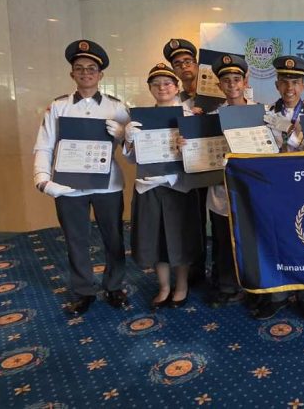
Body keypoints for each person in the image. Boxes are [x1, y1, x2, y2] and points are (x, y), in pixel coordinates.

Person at [33, 39, 129, 315]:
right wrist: (42, 178)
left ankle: (114, 285)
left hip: (107, 184)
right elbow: (44, 145)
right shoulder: (58, 107)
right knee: (75, 238)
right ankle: (84, 289)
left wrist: (124, 136)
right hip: (68, 185)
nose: (86, 72)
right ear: (72, 74)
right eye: (80, 68)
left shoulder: (116, 107)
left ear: (100, 75)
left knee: (114, 237)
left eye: (91, 68)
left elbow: (133, 151)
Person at [124, 64, 201, 309]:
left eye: (167, 83)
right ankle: (164, 286)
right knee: (155, 239)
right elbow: (131, 158)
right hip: (149, 186)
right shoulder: (139, 119)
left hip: (179, 187)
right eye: (156, 84)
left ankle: (181, 286)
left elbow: (200, 157)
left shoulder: (189, 116)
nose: (162, 88)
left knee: (180, 238)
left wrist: (186, 147)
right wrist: (128, 140)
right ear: (150, 89)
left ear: (177, 87)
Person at [254, 55, 304, 320]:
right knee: (277, 241)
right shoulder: (264, 116)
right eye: (284, 81)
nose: (290, 88)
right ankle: (278, 296)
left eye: (295, 82)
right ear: (277, 85)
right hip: (276, 190)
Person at [202, 54, 256, 307]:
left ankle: (255, 285)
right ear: (219, 85)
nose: (232, 84)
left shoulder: (262, 113)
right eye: (226, 80)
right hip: (221, 189)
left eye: (237, 79)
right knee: (224, 240)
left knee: (252, 240)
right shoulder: (211, 117)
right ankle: (226, 285)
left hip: (252, 191)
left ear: (245, 81)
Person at [163, 38, 212, 286]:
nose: (184, 67)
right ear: (174, 70)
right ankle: (196, 269)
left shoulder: (216, 96)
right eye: (178, 63)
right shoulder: (174, 102)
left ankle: (225, 268)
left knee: (221, 220)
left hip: (216, 165)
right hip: (188, 168)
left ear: (197, 64)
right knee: (192, 220)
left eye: (188, 61)